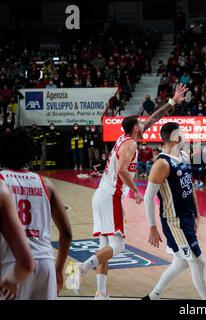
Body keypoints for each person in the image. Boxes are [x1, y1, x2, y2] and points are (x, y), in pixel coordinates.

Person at [77, 84, 187, 299]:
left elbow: (154, 118)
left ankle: (101, 292)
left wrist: (172, 101)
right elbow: (121, 170)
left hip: (101, 195)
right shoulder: (131, 145)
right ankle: (82, 267)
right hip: (111, 196)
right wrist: (136, 190)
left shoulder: (126, 138)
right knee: (118, 247)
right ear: (136, 128)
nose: (144, 124)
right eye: (140, 123)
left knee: (105, 246)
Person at [142, 122, 206, 300]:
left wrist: (196, 213)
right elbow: (148, 197)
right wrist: (152, 227)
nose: (185, 136)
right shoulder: (162, 164)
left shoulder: (183, 156)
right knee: (198, 261)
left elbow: (190, 187)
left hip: (187, 217)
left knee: (180, 262)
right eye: (182, 133)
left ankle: (153, 296)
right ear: (175, 138)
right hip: (174, 221)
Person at [0, 129, 72, 299]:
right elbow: (67, 234)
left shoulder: (2, 182)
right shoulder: (46, 184)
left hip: (13, 264)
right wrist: (58, 269)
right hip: (45, 263)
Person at [0, 179, 35, 300]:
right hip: (43, 255)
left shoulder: (4, 181)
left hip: (11, 259)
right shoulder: (1, 189)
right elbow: (26, 263)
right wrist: (11, 279)